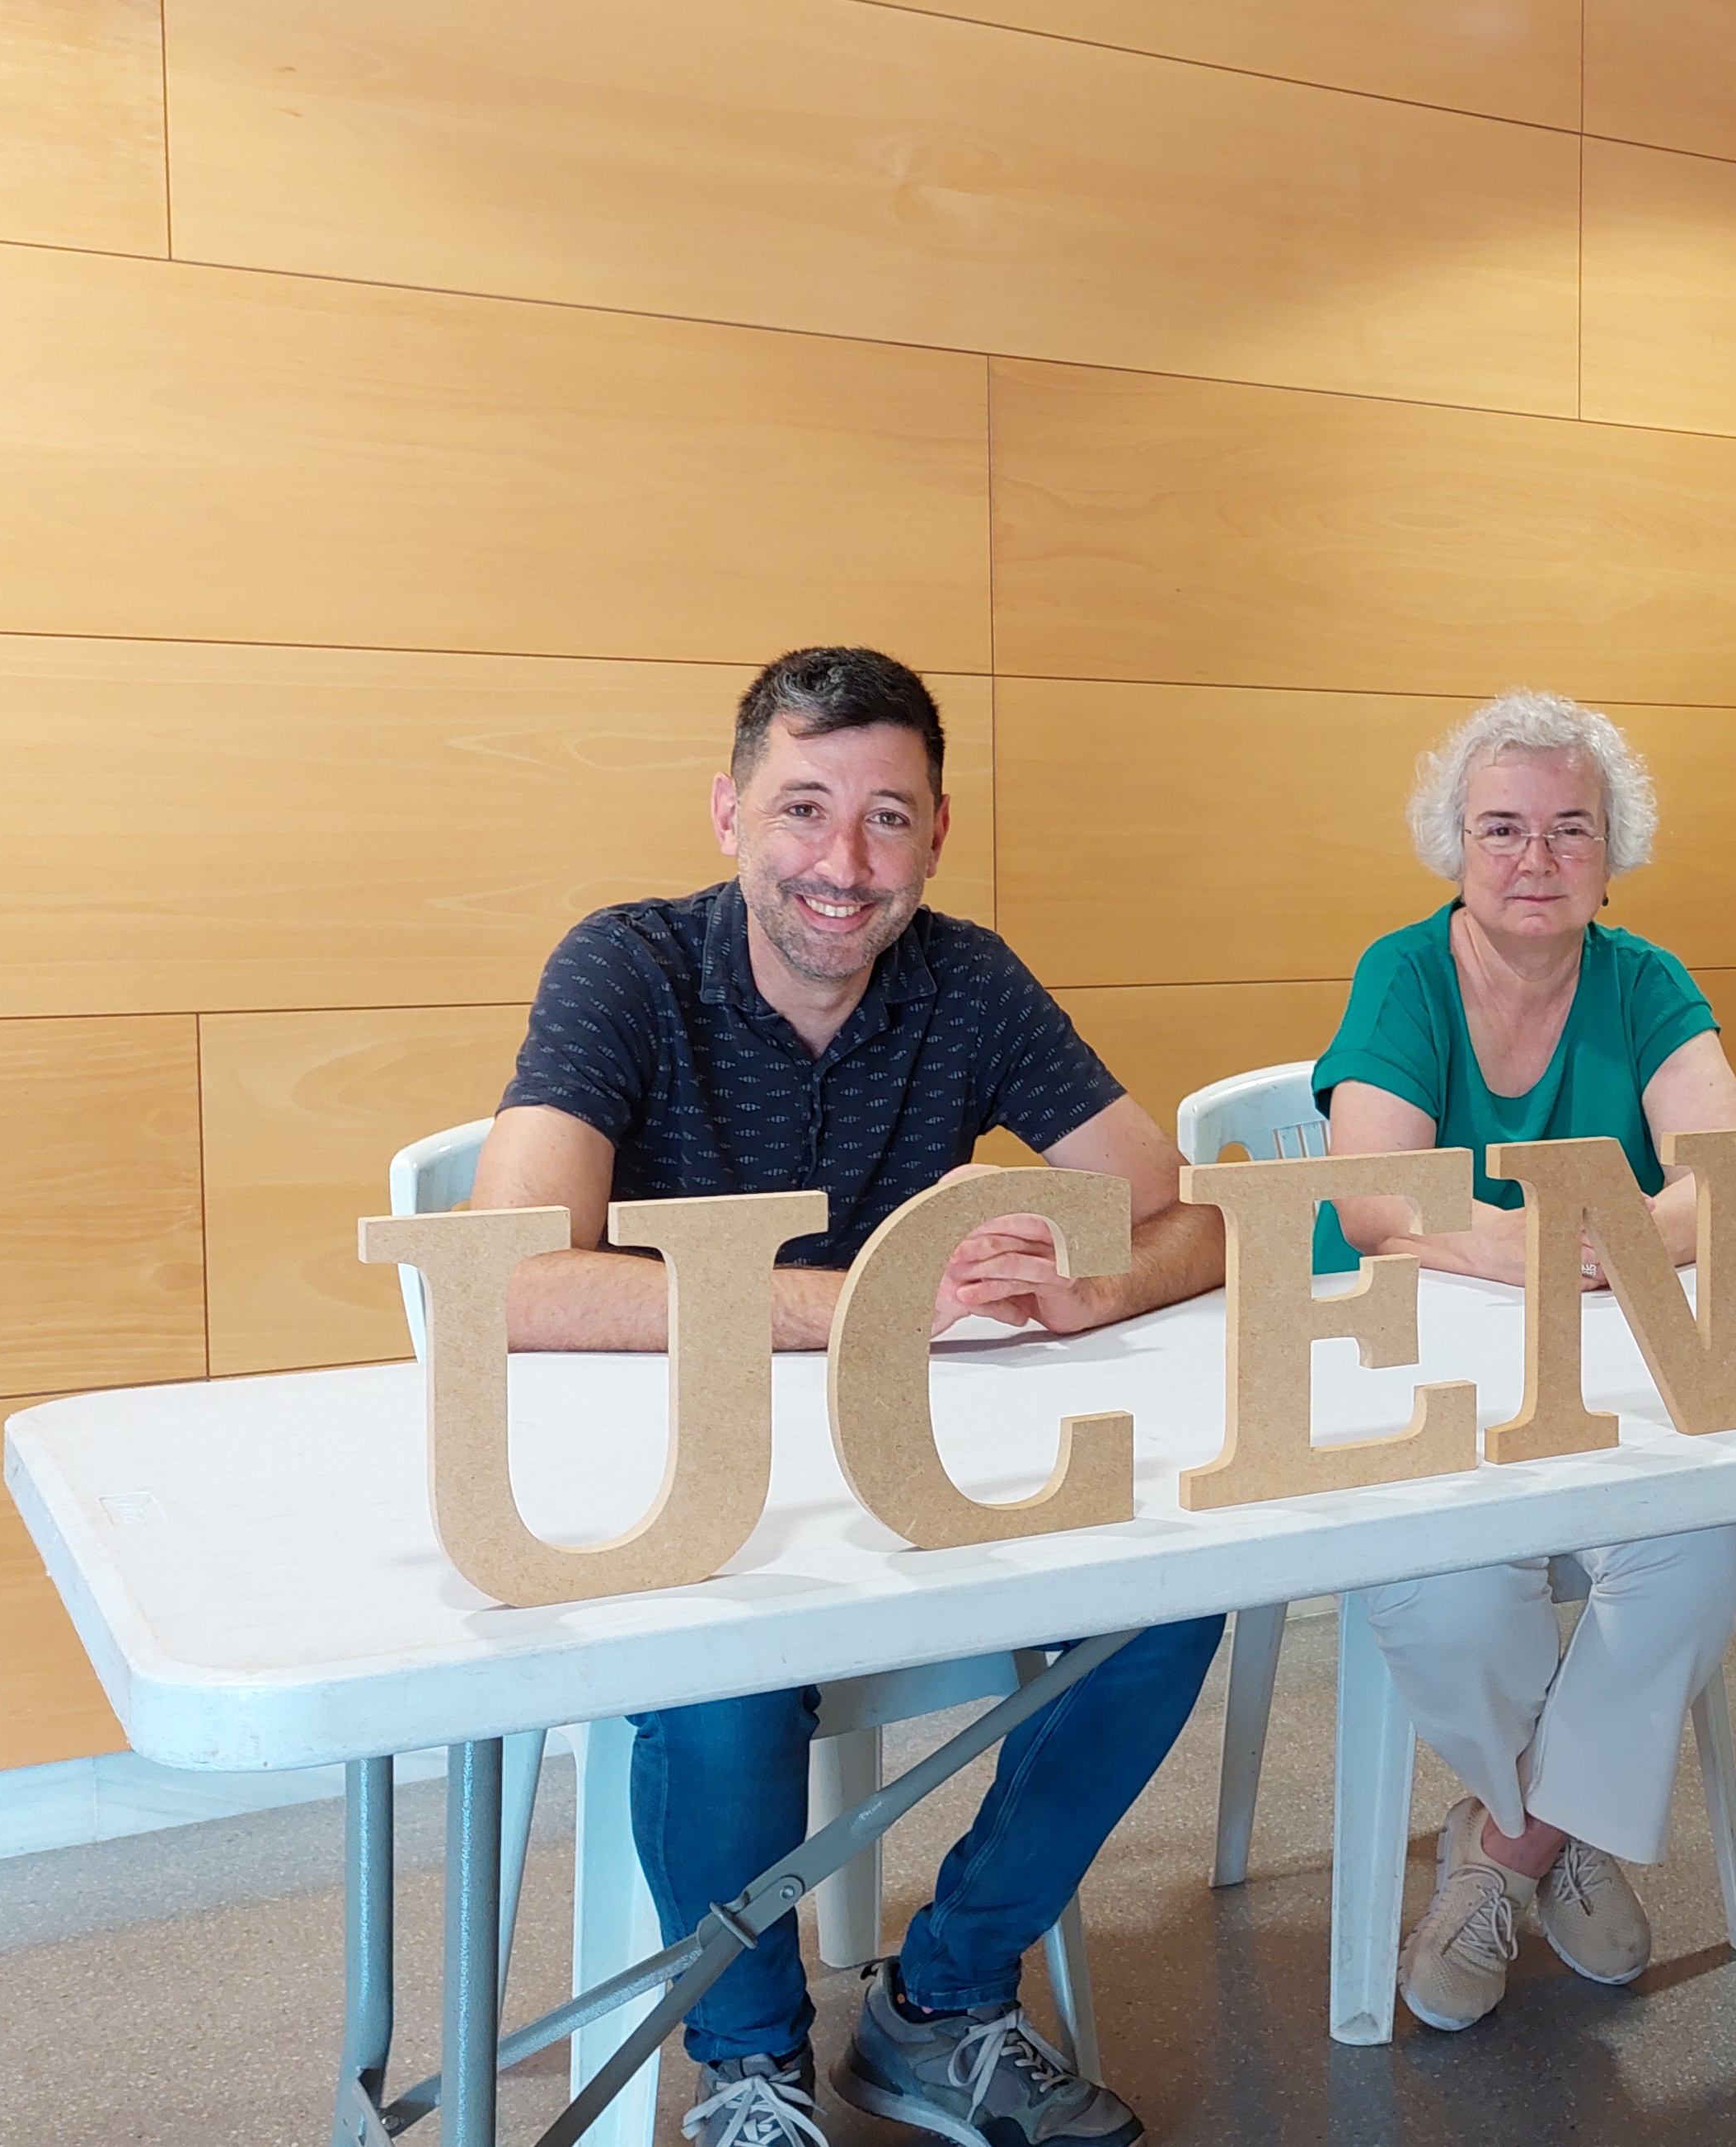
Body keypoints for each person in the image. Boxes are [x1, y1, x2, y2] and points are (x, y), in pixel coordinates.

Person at [475, 647, 1225, 2147]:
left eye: (890, 817)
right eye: (803, 807)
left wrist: (1095, 1285)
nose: (842, 861)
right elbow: (510, 1281)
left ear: (936, 836)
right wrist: (873, 1308)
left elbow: (1190, 1216)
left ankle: (941, 2002)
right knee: (722, 1672)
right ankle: (748, 2063)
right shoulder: (623, 966)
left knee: (1169, 1599)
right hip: (695, 1476)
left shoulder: (969, 976)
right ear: (727, 814)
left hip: (925, 1479)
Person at [1310, 690, 1736, 2034]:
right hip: (1422, 1389)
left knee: (1710, 1549)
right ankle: (1566, 1824)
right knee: (1452, 1593)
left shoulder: (1645, 980)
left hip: (1610, 1383)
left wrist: (1603, 1236)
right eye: (1502, 828)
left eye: (1570, 829)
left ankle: (1502, 1847)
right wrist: (1553, 1244)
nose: (1536, 858)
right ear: (1453, 845)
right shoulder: (1403, 972)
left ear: (1609, 851)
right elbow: (1373, 1198)